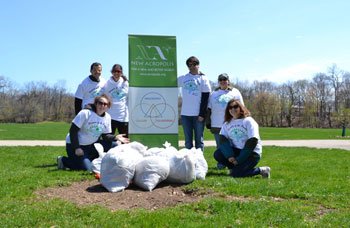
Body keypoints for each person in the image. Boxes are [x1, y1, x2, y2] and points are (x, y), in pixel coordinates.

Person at [57, 94, 129, 171]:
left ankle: (90, 158)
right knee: (87, 168)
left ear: (108, 107)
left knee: (115, 145)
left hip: (92, 145)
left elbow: (105, 136)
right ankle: (63, 160)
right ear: (96, 103)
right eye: (100, 103)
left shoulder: (107, 117)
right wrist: (77, 148)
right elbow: (73, 131)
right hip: (76, 145)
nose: (102, 105)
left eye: (105, 104)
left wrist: (115, 137)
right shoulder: (85, 113)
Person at [213, 99, 271, 178]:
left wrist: (239, 159)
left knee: (236, 174)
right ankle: (234, 168)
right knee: (218, 154)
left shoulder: (249, 121)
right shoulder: (227, 124)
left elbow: (252, 141)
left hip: (252, 153)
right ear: (228, 110)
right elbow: (223, 140)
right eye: (230, 107)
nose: (233, 109)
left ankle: (262, 170)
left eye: (235, 107)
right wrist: (229, 156)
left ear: (240, 108)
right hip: (237, 151)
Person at [178, 56, 211, 151]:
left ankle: (199, 163)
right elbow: (168, 83)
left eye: (194, 64)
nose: (192, 67)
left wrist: (202, 114)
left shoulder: (203, 78)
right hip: (185, 115)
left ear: (198, 65)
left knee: (199, 141)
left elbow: (206, 98)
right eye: (189, 65)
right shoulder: (183, 78)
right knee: (188, 142)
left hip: (198, 115)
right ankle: (188, 164)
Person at [206, 73, 244, 148]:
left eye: (225, 79)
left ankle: (233, 160)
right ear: (218, 82)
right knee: (220, 147)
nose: (222, 81)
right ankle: (221, 160)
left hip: (232, 124)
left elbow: (242, 107)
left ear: (228, 81)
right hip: (217, 125)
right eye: (220, 80)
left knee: (233, 146)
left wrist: (242, 121)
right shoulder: (213, 93)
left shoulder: (235, 92)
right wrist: (208, 121)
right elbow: (209, 109)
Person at [103, 64, 129, 137]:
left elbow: (129, 98)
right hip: (110, 117)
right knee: (109, 140)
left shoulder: (126, 83)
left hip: (123, 117)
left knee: (125, 140)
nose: (116, 73)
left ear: (121, 73)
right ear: (112, 72)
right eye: (114, 71)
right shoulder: (107, 83)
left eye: (118, 71)